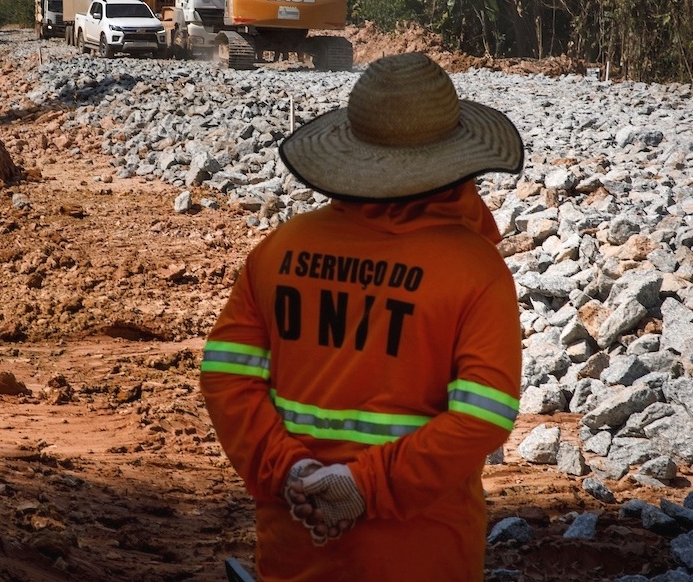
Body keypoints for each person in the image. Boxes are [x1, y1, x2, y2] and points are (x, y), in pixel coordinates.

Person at [200, 52, 525, 581]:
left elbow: (225, 377)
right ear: (455, 160)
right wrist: (363, 487)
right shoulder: (475, 270)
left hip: (297, 546)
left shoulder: (279, 249)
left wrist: (291, 470)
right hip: (423, 555)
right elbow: (483, 417)